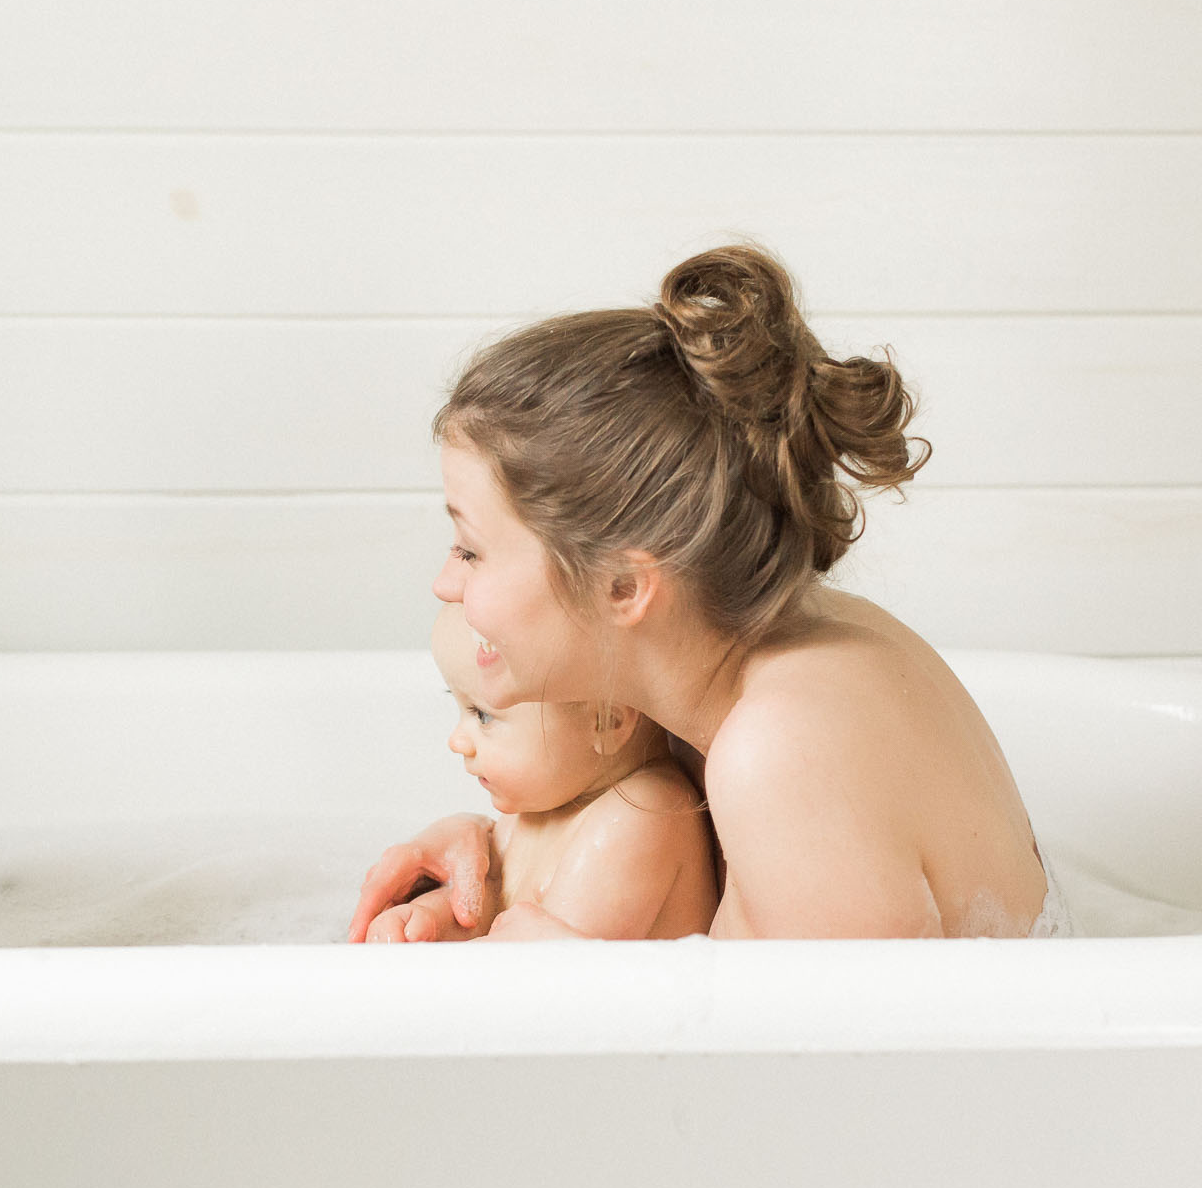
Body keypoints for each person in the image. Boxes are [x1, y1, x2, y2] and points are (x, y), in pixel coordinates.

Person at [349, 245, 1072, 942]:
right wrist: (500, 857)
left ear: (624, 587)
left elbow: (865, 1027)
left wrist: (577, 982)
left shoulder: (779, 748)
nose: (445, 583)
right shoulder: (709, 669)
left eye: (470, 549)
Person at [364, 603, 716, 942]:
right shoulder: (542, 803)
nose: (457, 741)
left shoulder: (642, 815)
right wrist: (431, 918)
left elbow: (545, 972)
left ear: (606, 721)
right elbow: (488, 906)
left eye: (482, 715)